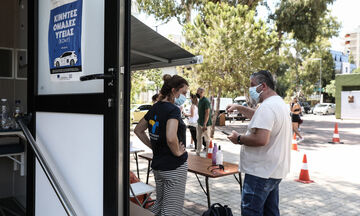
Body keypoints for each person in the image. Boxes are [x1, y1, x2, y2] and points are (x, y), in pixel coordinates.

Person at [226, 70, 292, 216]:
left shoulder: (267, 107)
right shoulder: (278, 103)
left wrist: (238, 139)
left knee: (251, 212)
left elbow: (261, 139)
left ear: (263, 86)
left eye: (252, 85)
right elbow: (260, 117)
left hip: (260, 173)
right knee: (270, 212)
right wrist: (238, 107)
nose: (250, 89)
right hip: (273, 171)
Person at [134, 74, 189, 216]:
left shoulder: (155, 108)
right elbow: (171, 138)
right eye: (183, 93)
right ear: (173, 91)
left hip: (159, 166)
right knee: (171, 211)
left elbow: (138, 130)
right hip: (174, 166)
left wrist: (154, 146)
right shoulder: (173, 110)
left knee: (159, 206)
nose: (185, 96)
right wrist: (177, 152)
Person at [196, 87, 212, 156]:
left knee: (207, 139)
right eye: (197, 91)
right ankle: (198, 152)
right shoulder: (200, 100)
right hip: (199, 122)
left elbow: (207, 113)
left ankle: (208, 154)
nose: (197, 93)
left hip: (206, 124)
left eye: (198, 92)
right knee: (198, 138)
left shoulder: (206, 101)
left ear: (202, 92)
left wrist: (205, 124)